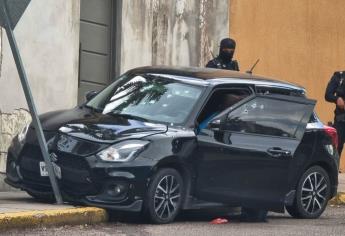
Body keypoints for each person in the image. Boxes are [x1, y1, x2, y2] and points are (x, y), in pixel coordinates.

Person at [325, 70, 345, 156]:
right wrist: (336, 99)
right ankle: (334, 169)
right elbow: (328, 95)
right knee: (336, 149)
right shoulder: (339, 77)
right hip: (341, 120)